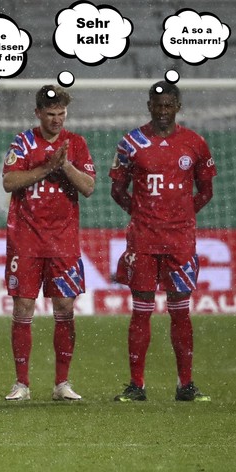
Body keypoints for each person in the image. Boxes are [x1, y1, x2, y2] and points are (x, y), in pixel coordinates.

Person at [110, 81, 216, 402]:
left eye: (169, 106)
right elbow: (117, 190)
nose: (163, 111)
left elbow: (206, 191)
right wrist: (143, 214)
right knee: (141, 310)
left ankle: (186, 385)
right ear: (149, 107)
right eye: (158, 106)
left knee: (180, 311)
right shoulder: (131, 142)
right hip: (143, 240)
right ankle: (136, 385)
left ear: (178, 107)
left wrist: (181, 216)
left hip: (180, 242)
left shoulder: (195, 143)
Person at [1, 85, 95, 402]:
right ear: (38, 113)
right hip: (26, 239)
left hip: (63, 242)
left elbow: (89, 187)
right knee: (23, 307)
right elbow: (9, 181)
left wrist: (65, 165)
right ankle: (22, 383)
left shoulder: (76, 144)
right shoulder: (23, 142)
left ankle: (62, 383)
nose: (57, 119)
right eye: (51, 113)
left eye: (61, 113)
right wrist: (47, 167)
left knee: (65, 307)